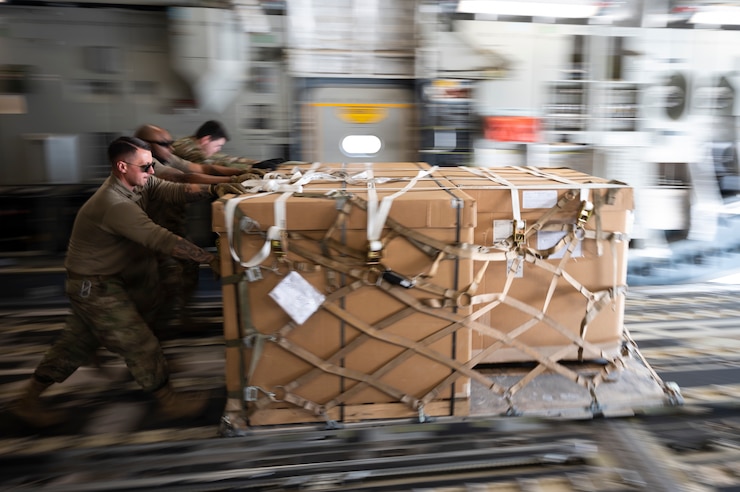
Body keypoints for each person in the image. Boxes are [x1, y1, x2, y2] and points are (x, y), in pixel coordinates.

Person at [9, 136, 240, 427]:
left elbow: (175, 190)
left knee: (74, 346)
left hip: (105, 281)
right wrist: (208, 259)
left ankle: (27, 401)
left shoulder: (138, 183)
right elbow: (161, 238)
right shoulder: (114, 203)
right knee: (140, 343)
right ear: (122, 166)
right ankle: (169, 402)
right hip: (94, 287)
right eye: (146, 167)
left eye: (152, 164)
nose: (152, 172)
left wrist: (215, 188)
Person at [172, 119, 286, 172]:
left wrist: (257, 162)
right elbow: (209, 166)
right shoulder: (187, 148)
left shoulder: (197, 144)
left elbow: (225, 158)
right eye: (217, 145)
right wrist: (251, 168)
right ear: (206, 139)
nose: (218, 149)